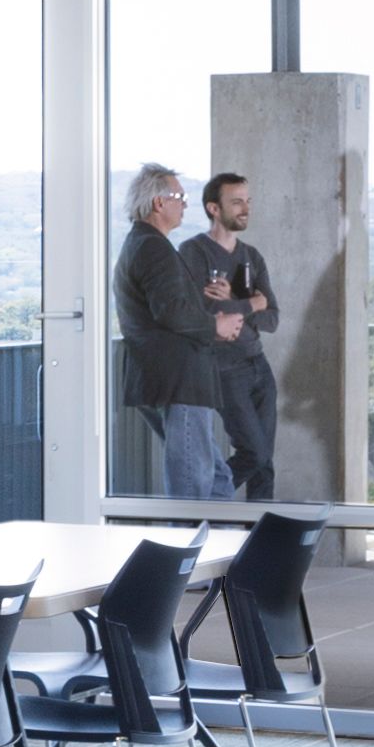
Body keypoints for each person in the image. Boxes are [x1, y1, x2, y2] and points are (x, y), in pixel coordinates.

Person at [115, 163, 244, 498]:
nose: (185, 204)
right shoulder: (152, 247)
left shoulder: (141, 244)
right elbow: (170, 311)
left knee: (217, 481)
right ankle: (194, 550)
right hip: (178, 381)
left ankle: (226, 550)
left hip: (168, 380)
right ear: (159, 203)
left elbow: (166, 305)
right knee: (193, 489)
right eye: (180, 197)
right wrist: (217, 325)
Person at [199, 172, 280, 501]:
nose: (245, 208)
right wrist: (250, 303)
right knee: (254, 454)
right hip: (225, 370)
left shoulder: (252, 256)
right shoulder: (195, 253)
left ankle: (262, 548)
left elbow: (272, 318)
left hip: (259, 366)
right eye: (236, 202)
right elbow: (206, 315)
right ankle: (206, 504)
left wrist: (233, 300)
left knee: (265, 465)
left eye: (248, 201)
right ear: (214, 208)